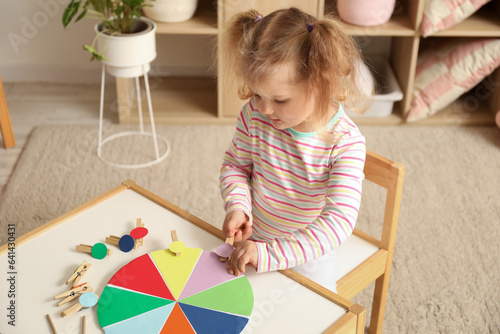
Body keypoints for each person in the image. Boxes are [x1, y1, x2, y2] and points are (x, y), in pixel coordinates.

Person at [219, 7, 371, 293]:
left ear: (320, 84)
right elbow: (236, 166)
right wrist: (238, 205)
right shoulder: (255, 115)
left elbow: (337, 222)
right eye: (256, 93)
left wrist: (268, 255)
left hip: (308, 257)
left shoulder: (344, 143)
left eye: (279, 99)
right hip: (253, 243)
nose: (263, 108)